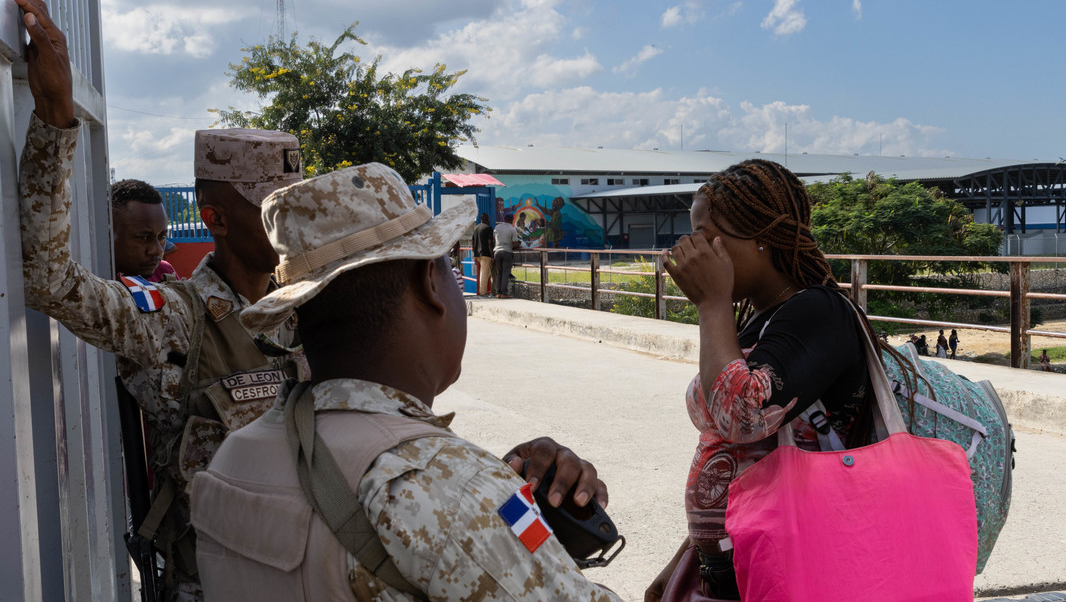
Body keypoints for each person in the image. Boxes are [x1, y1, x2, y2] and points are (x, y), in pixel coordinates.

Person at [190, 164, 622, 601]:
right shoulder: (455, 491)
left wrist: (508, 503)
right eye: (448, 268)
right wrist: (492, 495)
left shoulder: (234, 456)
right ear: (429, 282)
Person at [13, 0, 310, 599]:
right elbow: (49, 281)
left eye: (296, 206)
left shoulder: (306, 309)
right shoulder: (173, 318)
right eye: (273, 209)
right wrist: (55, 121)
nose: (292, 225)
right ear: (216, 219)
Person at [652, 159, 886, 600]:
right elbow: (739, 457)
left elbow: (743, 415)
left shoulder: (818, 312)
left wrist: (711, 303)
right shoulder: (755, 323)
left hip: (794, 564)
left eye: (705, 236)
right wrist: (689, 555)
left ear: (760, 236)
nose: (693, 249)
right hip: (732, 565)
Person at [112, 178, 173, 280]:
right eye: (143, 238)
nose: (158, 250)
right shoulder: (88, 284)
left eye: (162, 237)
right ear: (109, 236)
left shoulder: (164, 273)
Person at [493, 212, 519, 298]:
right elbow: (515, 243)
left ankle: (498, 292)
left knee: (499, 273)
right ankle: (504, 293)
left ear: (504, 219)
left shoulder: (497, 227)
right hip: (507, 251)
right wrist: (517, 246)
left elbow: (494, 239)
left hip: (497, 251)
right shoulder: (512, 229)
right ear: (512, 220)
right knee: (505, 273)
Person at [472, 213, 494, 295]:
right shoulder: (488, 228)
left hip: (478, 254)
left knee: (487, 272)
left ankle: (488, 290)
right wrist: (492, 254)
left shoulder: (476, 228)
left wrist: (474, 253)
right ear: (487, 219)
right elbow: (489, 243)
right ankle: (482, 292)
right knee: (484, 273)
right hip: (486, 254)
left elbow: (473, 241)